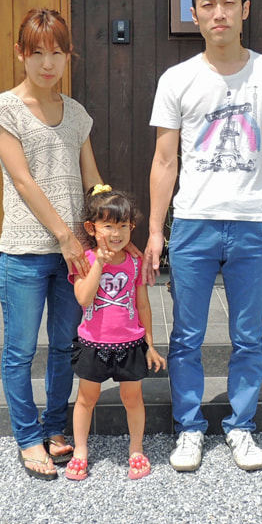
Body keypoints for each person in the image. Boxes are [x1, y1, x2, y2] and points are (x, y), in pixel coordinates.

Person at [143, 0, 262, 473]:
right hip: (193, 223)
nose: (219, 13)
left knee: (248, 335)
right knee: (187, 336)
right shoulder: (177, 79)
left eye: (228, 2)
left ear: (245, 10)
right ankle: (189, 428)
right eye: (207, 4)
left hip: (251, 221)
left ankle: (240, 426)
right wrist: (155, 231)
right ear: (194, 15)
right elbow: (164, 160)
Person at [0, 8, 107, 481]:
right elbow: (23, 180)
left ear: (68, 54)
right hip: (25, 252)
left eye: (57, 52)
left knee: (64, 347)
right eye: (37, 53)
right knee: (19, 350)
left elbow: (92, 179)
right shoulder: (3, 110)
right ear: (21, 54)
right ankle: (28, 436)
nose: (48, 63)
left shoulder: (76, 114)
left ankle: (55, 427)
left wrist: (112, 226)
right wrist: (65, 236)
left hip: (72, 254)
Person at [64, 186, 166, 482]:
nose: (116, 233)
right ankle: (80, 450)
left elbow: (143, 305)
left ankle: (136, 449)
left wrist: (149, 344)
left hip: (130, 343)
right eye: (108, 226)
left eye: (123, 226)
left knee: (133, 398)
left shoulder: (135, 262)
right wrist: (100, 263)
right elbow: (84, 298)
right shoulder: (84, 260)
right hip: (93, 344)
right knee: (86, 398)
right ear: (91, 228)